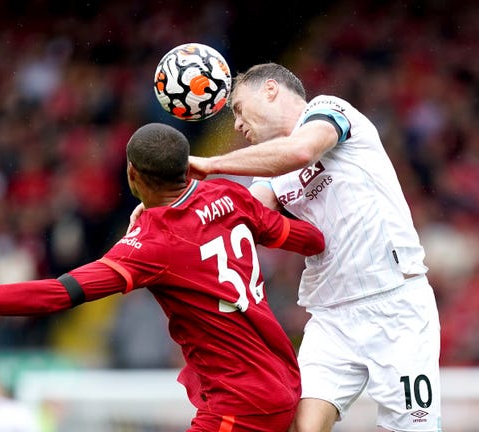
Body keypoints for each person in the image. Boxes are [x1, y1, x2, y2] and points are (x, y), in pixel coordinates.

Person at [0, 122, 325, 432]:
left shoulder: (152, 244)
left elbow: (55, 294)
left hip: (239, 400)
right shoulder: (229, 194)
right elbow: (306, 238)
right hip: (279, 377)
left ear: (132, 174)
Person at [185, 63, 442, 432]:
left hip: (396, 303)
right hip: (332, 317)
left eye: (239, 109)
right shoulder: (272, 173)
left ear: (270, 89)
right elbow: (235, 214)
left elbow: (303, 151)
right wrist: (166, 203)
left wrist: (211, 165)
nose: (237, 126)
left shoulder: (330, 111)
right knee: (301, 426)